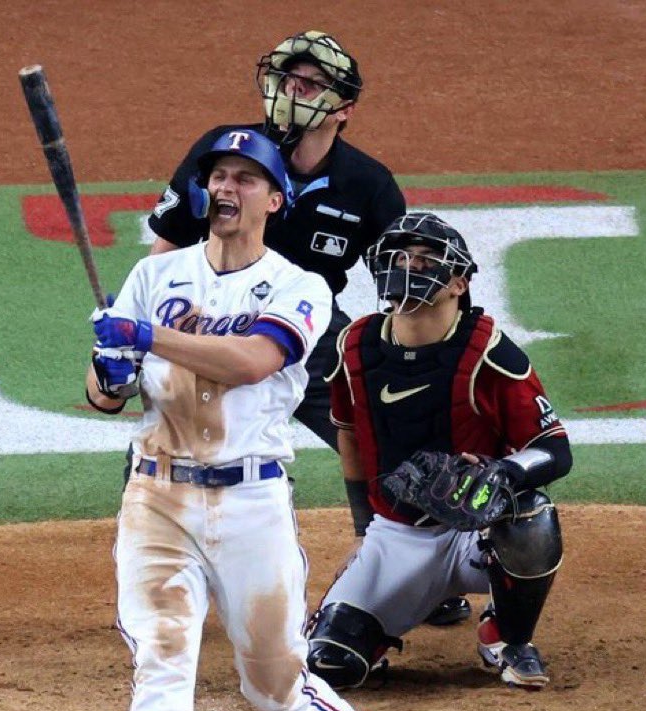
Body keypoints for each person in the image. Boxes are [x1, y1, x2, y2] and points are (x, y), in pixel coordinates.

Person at [84, 129, 392, 711]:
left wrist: (147, 338)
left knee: (274, 682)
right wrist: (111, 372)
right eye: (218, 175)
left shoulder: (299, 286)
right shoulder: (155, 276)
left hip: (251, 503)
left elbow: (254, 360)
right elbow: (99, 396)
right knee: (163, 655)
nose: (227, 187)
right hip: (157, 497)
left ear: (274, 199)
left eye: (245, 178)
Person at [148, 27, 470, 628]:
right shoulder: (226, 154)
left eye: (309, 84)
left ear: (342, 109)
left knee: (382, 428)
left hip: (311, 326)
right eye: (285, 79)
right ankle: (163, 578)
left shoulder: (367, 185)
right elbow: (164, 254)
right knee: (166, 440)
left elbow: (400, 283)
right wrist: (145, 326)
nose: (290, 91)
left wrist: (406, 359)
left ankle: (403, 565)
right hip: (213, 316)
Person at [305, 212, 573, 690]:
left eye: (426, 261)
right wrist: (364, 528)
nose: (408, 267)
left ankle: (508, 636)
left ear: (458, 283)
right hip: (397, 535)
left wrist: (504, 473)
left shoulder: (488, 351)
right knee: (331, 665)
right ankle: (393, 612)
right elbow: (347, 434)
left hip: (477, 533)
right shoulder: (356, 346)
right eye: (400, 257)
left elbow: (553, 448)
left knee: (531, 518)